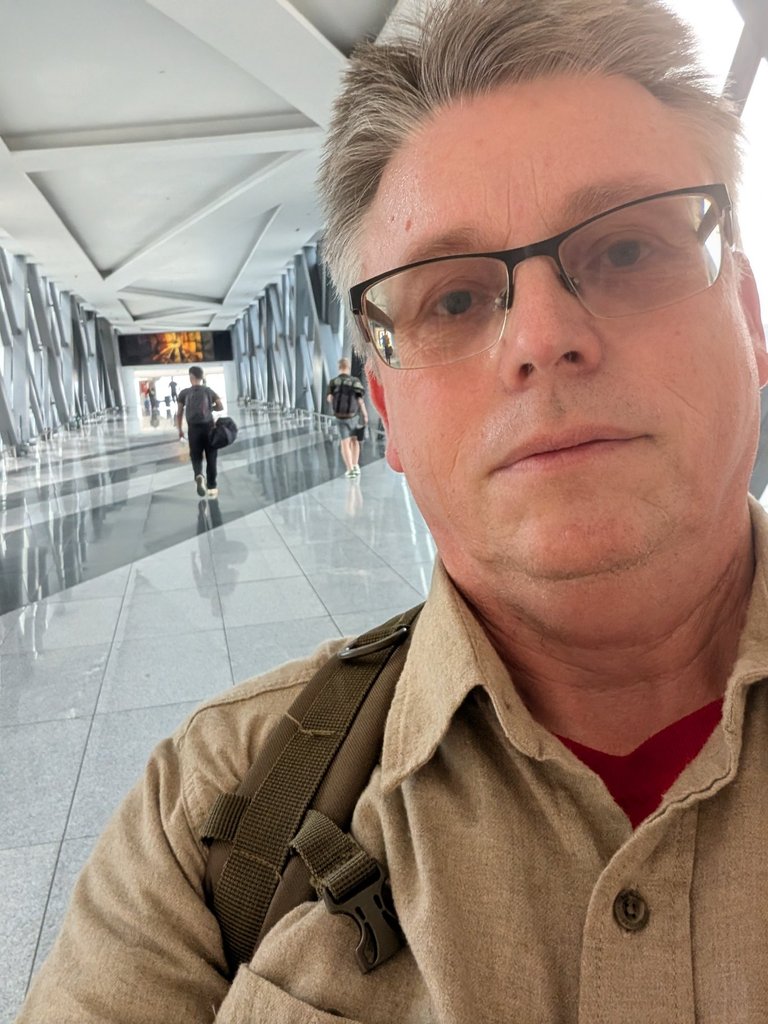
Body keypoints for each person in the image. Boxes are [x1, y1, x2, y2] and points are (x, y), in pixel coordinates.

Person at [15, 1, 768, 1021]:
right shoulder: (213, 816)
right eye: (452, 300)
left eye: (627, 250)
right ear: (385, 408)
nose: (541, 338)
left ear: (749, 319)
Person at [176, 365, 223, 499]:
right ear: (202, 377)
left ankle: (199, 475)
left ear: (191, 377)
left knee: (196, 456)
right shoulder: (208, 391)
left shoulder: (184, 393)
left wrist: (180, 430)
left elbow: (179, 413)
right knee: (211, 456)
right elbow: (220, 406)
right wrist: (211, 409)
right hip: (209, 428)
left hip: (193, 429)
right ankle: (212, 487)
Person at [327, 356, 368, 477]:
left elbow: (329, 398)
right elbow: (360, 400)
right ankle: (355, 466)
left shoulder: (333, 382)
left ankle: (350, 470)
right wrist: (365, 414)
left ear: (339, 367)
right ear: (348, 367)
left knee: (345, 442)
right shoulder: (355, 381)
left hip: (340, 417)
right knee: (355, 441)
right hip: (353, 416)